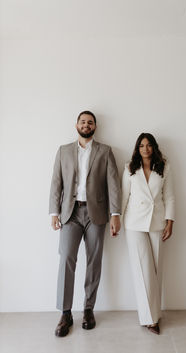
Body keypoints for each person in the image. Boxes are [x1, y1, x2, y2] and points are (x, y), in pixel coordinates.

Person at [49, 111, 121, 337]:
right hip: (70, 213)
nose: (86, 125)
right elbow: (56, 183)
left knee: (94, 261)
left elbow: (114, 185)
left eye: (90, 122)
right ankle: (65, 312)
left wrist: (115, 214)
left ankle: (88, 309)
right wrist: (54, 212)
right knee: (67, 259)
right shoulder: (63, 151)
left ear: (95, 126)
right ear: (76, 125)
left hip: (96, 214)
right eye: (83, 122)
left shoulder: (105, 151)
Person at [122, 133, 175, 335]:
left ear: (154, 147)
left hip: (157, 221)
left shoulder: (164, 166)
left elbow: (169, 196)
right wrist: (115, 219)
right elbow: (124, 195)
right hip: (134, 223)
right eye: (142, 145)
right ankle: (150, 319)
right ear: (137, 148)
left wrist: (170, 221)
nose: (145, 149)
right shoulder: (129, 167)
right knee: (142, 269)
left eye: (149, 145)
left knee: (156, 269)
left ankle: (153, 313)